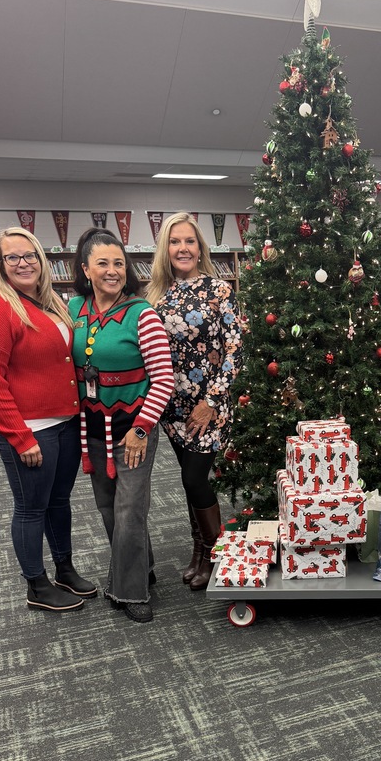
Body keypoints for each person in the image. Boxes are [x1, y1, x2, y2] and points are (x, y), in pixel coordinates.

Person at [0, 227, 96, 612]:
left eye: (30, 256)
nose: (23, 263)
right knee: (31, 507)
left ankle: (64, 569)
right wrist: (20, 437)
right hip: (27, 428)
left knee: (59, 501)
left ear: (41, 260)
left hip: (65, 421)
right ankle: (36, 586)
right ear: (0, 264)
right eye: (13, 257)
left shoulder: (50, 302)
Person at [69, 228, 174, 623]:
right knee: (109, 508)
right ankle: (141, 564)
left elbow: (163, 379)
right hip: (92, 430)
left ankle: (131, 592)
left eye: (118, 263)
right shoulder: (73, 309)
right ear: (85, 269)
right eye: (102, 263)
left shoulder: (142, 314)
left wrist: (143, 427)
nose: (112, 271)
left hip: (135, 431)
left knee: (130, 509)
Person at [146, 213, 243, 591]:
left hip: (209, 407)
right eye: (175, 242)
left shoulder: (218, 290)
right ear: (165, 250)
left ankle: (215, 555)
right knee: (191, 484)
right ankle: (198, 553)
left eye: (189, 241)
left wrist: (212, 401)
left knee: (194, 478)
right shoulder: (155, 294)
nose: (182, 248)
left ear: (200, 248)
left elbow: (236, 348)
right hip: (171, 407)